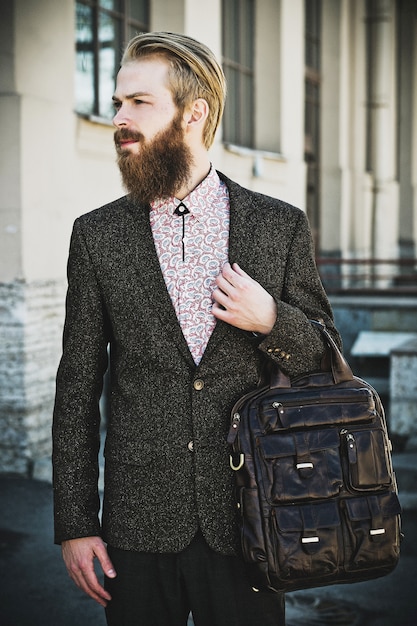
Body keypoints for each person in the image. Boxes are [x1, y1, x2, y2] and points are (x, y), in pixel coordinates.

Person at [52, 31, 341, 626]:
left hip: (253, 521)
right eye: (116, 103)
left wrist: (272, 320)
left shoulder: (278, 225)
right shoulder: (96, 235)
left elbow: (325, 361)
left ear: (195, 112)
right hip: (135, 530)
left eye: (139, 102)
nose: (120, 119)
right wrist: (75, 524)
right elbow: (77, 388)